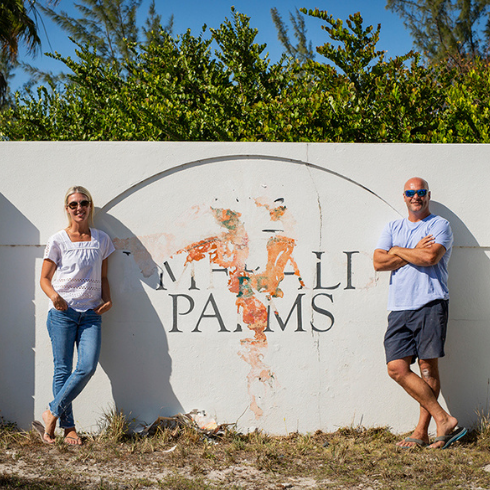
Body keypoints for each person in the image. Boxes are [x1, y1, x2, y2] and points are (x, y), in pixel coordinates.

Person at [373, 177, 466, 449]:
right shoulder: (393, 226)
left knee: (427, 367)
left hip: (430, 302)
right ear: (404, 197)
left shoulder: (439, 225)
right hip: (399, 306)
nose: (416, 196)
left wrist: (397, 252)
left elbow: (430, 258)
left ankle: (422, 432)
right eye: (411, 192)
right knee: (397, 368)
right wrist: (411, 250)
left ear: (428, 195)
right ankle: (444, 419)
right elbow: (379, 262)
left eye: (421, 192)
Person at [36, 186, 114, 445]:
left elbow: (103, 276)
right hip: (62, 313)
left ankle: (51, 412)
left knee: (87, 367)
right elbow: (45, 279)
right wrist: (54, 297)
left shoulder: (102, 239)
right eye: (73, 204)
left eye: (84, 202)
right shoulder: (58, 240)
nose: (79, 208)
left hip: (91, 313)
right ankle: (68, 428)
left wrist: (108, 299)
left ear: (90, 206)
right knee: (63, 369)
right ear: (67, 209)